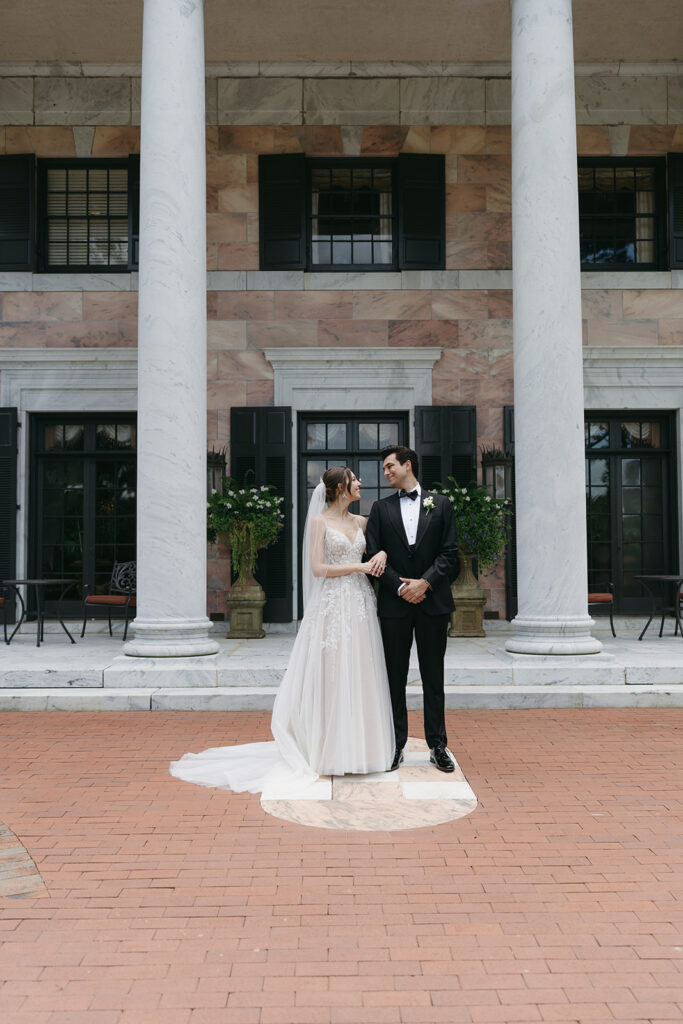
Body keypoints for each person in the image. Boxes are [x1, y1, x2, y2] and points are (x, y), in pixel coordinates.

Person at [169, 466, 395, 794]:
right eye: (354, 479)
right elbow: (318, 569)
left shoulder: (362, 522)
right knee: (331, 673)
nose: (360, 483)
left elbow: (384, 545)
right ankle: (328, 751)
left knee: (360, 671)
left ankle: (363, 750)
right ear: (339, 487)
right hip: (332, 605)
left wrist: (383, 553)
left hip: (360, 606)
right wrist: (359, 566)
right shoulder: (320, 522)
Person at [366, 445, 458, 773]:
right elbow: (374, 554)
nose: (386, 472)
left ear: (408, 465)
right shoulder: (379, 508)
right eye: (385, 468)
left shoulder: (442, 504)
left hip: (433, 604)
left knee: (434, 677)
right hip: (395, 605)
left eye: (391, 466)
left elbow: (450, 554)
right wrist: (402, 587)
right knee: (394, 677)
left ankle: (438, 745)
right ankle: (395, 743)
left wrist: (425, 583)